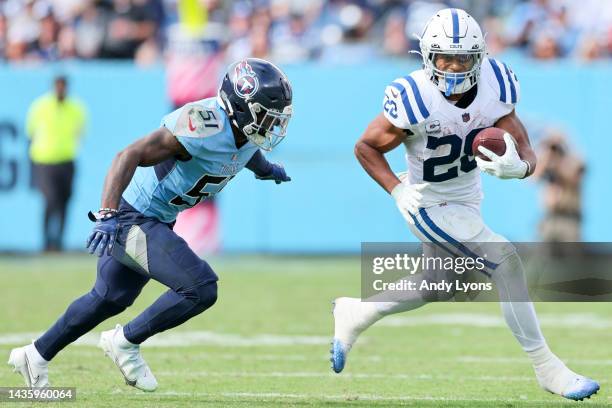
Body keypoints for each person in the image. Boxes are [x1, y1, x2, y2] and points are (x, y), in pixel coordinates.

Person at [330, 8, 599, 402]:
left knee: (440, 284)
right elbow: (365, 146)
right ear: (427, 57)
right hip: (426, 200)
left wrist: (519, 166)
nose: (454, 67)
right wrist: (396, 191)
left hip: (467, 199)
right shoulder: (415, 98)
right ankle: (547, 367)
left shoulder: (496, 85)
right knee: (505, 260)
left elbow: (524, 144)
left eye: (463, 58)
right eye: (444, 58)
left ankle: (355, 313)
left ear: (480, 57)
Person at [9, 58, 293, 391]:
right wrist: (107, 214)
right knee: (201, 287)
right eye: (264, 116)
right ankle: (125, 341)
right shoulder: (203, 125)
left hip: (157, 219)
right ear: (240, 108)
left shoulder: (241, 133)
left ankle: (34, 355)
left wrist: (265, 169)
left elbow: (242, 151)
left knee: (109, 297)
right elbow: (127, 155)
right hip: (134, 217)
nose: (271, 126)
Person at [26, 75, 87, 251]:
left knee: (65, 201)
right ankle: (47, 241)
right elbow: (31, 132)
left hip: (67, 160)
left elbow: (80, 132)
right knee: (50, 199)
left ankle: (58, 242)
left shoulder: (76, 108)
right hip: (45, 160)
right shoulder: (40, 106)